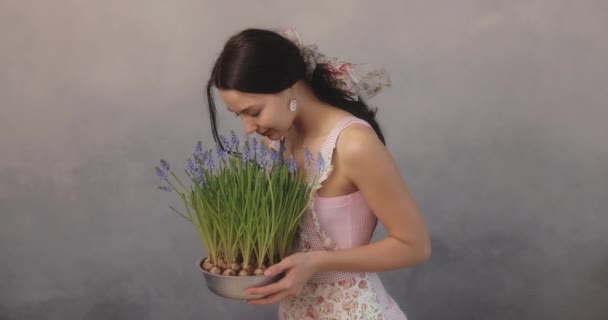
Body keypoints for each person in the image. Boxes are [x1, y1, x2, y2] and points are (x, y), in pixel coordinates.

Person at [204, 27, 431, 320]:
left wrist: (316, 263)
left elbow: (414, 247)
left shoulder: (353, 144)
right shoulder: (275, 140)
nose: (248, 127)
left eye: (254, 111)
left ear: (290, 88)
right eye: (239, 115)